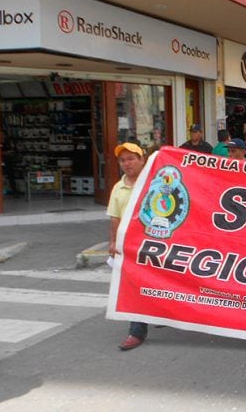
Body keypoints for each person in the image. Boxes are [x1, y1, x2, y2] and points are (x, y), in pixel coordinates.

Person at [107, 143, 149, 351]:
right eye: (123, 160)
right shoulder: (118, 187)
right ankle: (136, 331)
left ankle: (160, 314)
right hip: (130, 247)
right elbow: (115, 217)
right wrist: (113, 242)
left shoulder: (154, 183)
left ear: (142, 160)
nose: (127, 163)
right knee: (133, 287)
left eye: (131, 158)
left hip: (153, 244)